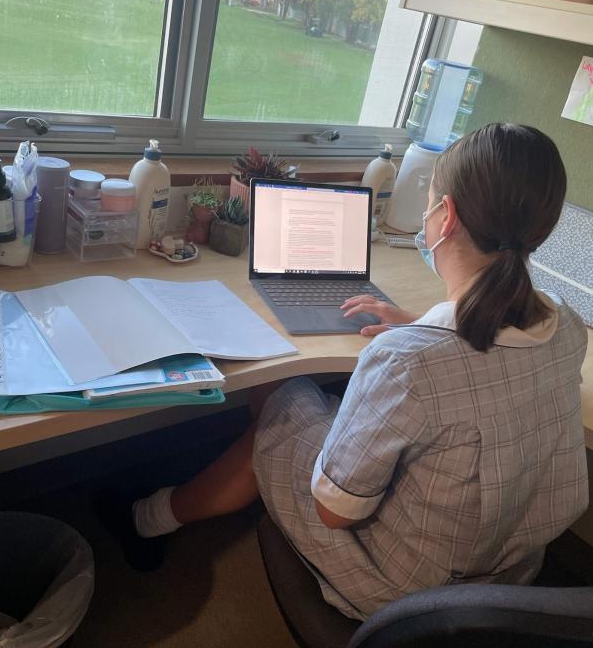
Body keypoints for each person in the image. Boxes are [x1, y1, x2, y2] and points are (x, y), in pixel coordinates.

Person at [101, 123, 588, 621]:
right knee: (309, 411)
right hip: (510, 580)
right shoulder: (569, 327)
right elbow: (486, 377)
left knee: (284, 394)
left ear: (445, 218)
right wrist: (420, 323)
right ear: (542, 230)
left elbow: (335, 512)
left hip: (407, 595)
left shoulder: (410, 359)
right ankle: (167, 509)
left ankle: (149, 517)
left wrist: (409, 343)